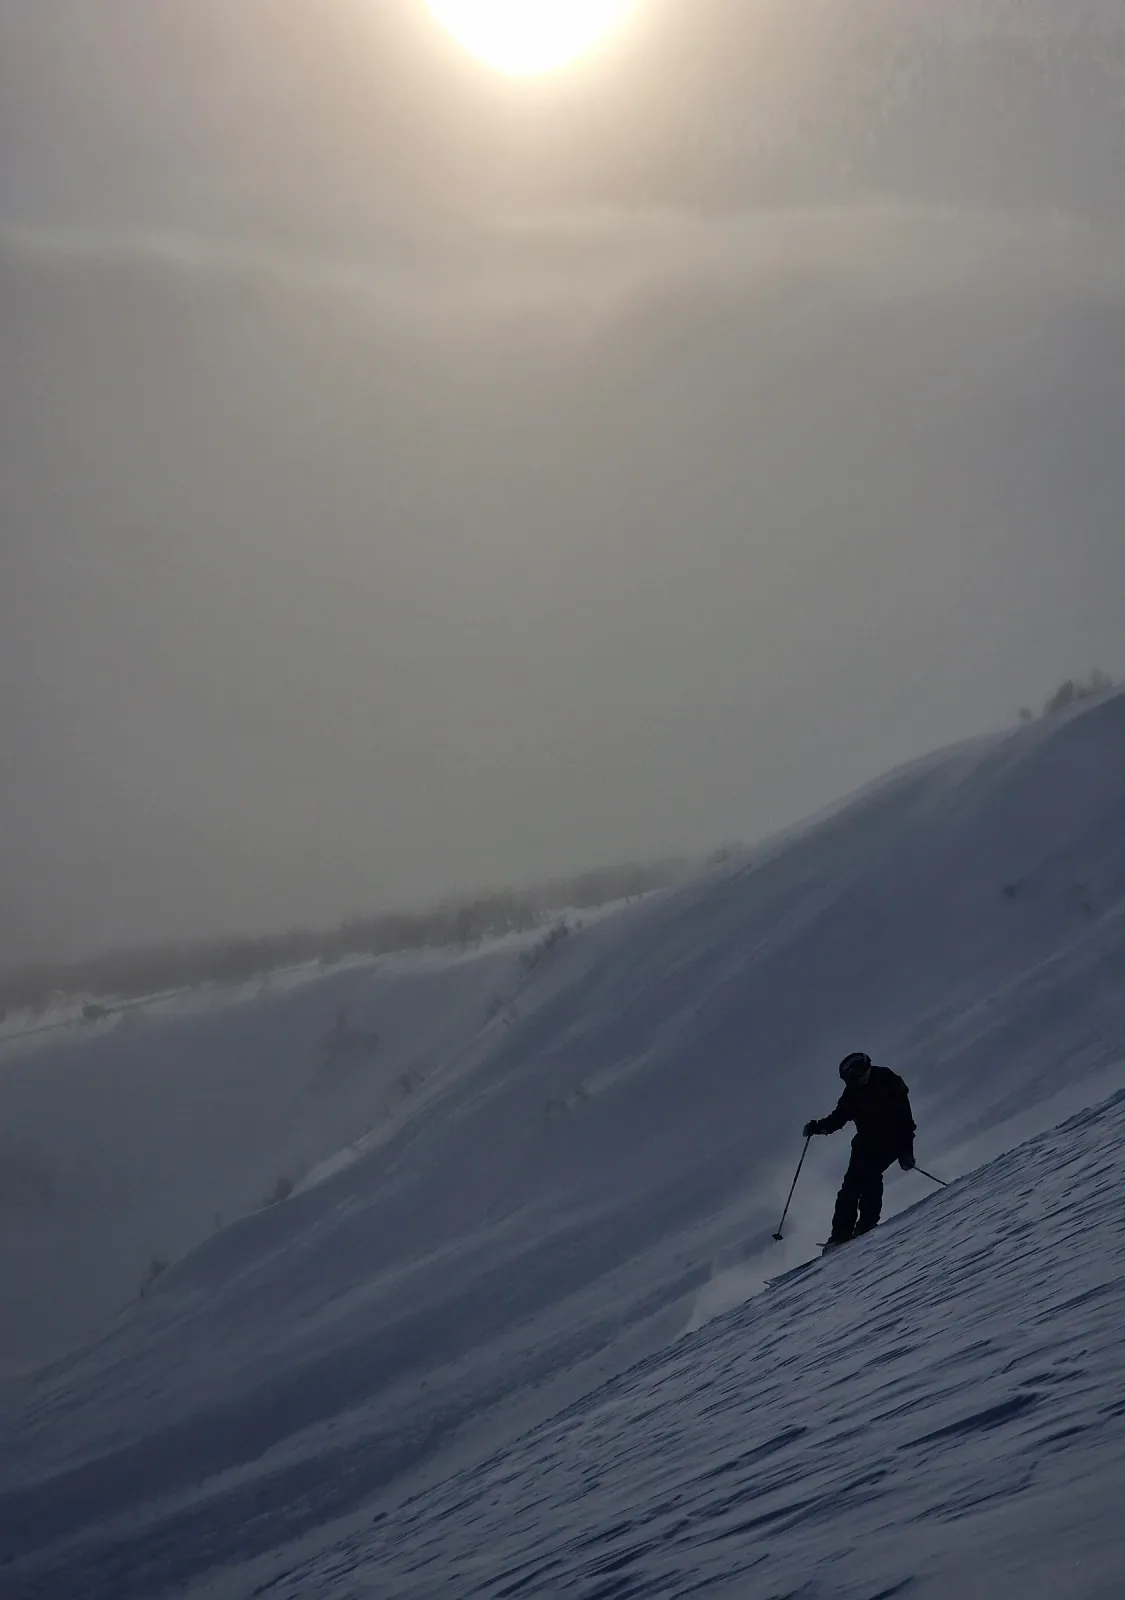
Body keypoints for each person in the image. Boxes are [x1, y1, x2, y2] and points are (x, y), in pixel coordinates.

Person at [803, 1051, 916, 1246]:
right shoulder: (852, 1092)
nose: (858, 1080)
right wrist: (818, 1127)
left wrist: (906, 1150)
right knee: (851, 1187)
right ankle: (841, 1235)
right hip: (866, 1144)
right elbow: (839, 1117)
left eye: (859, 1075)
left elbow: (905, 1117)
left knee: (869, 1176)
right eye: (852, 1078)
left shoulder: (886, 1079)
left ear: (866, 1069)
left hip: (891, 1140)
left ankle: (865, 1223)